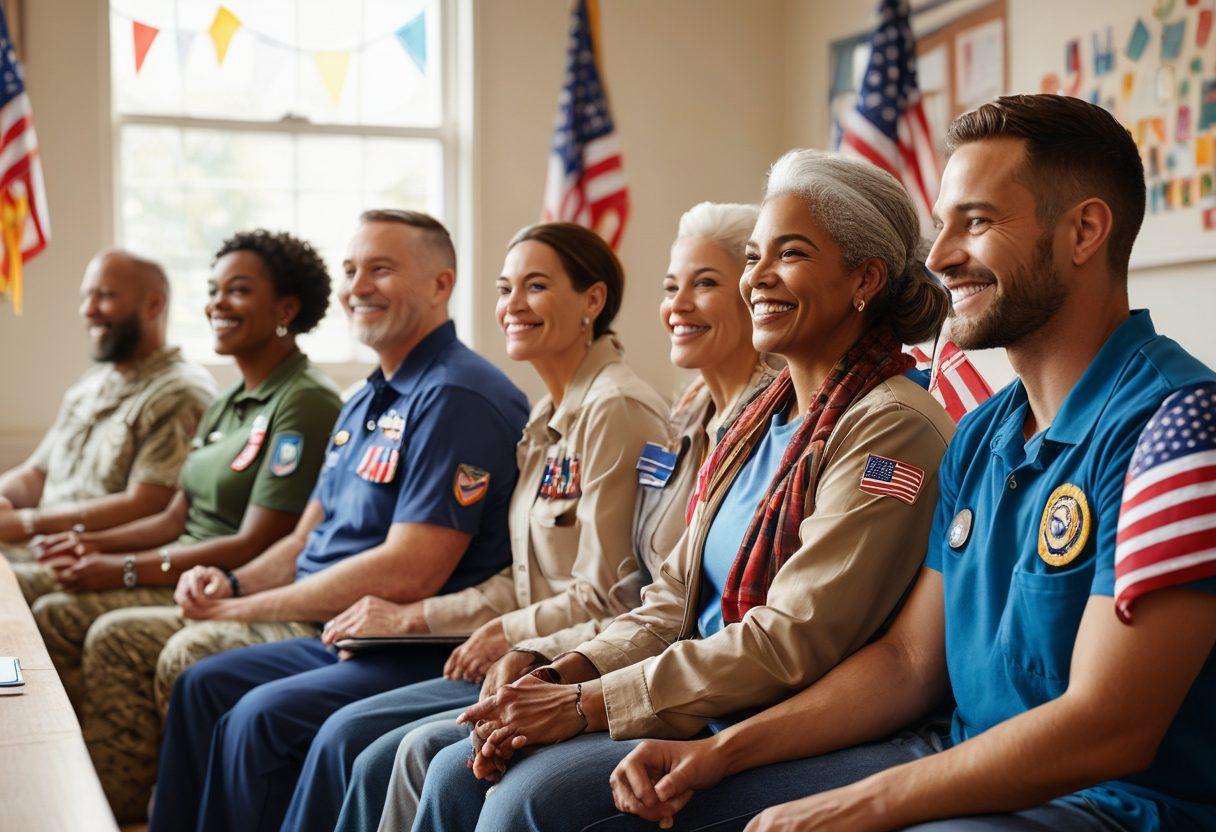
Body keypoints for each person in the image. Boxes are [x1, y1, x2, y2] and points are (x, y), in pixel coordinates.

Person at [604, 94, 1216, 832]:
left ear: (1085, 231)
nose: (937, 257)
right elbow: (907, 665)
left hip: (1112, 808)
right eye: (943, 223)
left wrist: (847, 808)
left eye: (978, 222)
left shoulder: (1180, 426)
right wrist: (725, 753)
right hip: (964, 768)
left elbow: (1107, 727)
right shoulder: (984, 433)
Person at [410, 148, 958, 832]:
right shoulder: (761, 414)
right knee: (451, 763)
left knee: (531, 801)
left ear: (865, 279)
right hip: (701, 696)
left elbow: (790, 640)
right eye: (753, 257)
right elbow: (671, 601)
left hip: (790, 721)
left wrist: (588, 704)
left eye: (788, 254)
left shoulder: (890, 428)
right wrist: (566, 672)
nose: (756, 278)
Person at [312, 204, 781, 832]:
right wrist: (516, 642)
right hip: (591, 654)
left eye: (705, 283)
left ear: (593, 301)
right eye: (672, 286)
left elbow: (619, 592)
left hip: (656, 670)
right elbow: (571, 581)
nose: (512, 304)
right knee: (375, 749)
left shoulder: (629, 409)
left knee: (421, 757)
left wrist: (528, 649)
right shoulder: (671, 416)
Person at [145, 210, 530, 832]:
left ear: (441, 285)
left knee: (259, 717)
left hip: (411, 644)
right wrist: (234, 584)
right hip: (335, 629)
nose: (358, 286)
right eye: (351, 270)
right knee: (201, 685)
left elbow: (410, 571)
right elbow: (304, 539)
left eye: (381, 269)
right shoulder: (363, 397)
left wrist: (239, 612)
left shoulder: (456, 395)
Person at [15, 231, 341, 727]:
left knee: (78, 620)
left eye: (238, 289)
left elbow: (256, 542)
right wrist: (89, 545)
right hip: (176, 563)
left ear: (286, 308)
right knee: (52, 600)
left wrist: (122, 567)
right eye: (212, 290)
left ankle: (115, 797)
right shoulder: (229, 401)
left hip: (219, 580)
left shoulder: (304, 400)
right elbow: (175, 516)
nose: (217, 303)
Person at [0, 249, 214, 562]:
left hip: (98, 556)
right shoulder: (90, 385)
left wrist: (29, 524)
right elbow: (37, 475)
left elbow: (149, 503)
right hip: (38, 542)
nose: (88, 310)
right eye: (86, 296)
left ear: (154, 304)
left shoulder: (180, 393)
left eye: (105, 296)